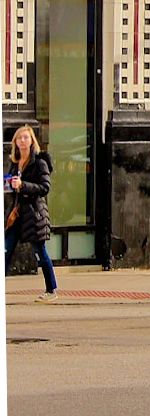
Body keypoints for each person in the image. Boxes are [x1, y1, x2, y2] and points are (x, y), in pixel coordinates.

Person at [6, 127, 58, 302]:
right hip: (17, 214)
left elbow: (45, 187)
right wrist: (8, 186)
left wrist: (23, 185)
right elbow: (13, 188)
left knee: (40, 252)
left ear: (31, 140)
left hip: (34, 214)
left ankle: (51, 290)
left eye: (26, 137)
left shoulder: (39, 163)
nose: (22, 140)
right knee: (6, 250)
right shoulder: (15, 162)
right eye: (19, 138)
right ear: (15, 142)